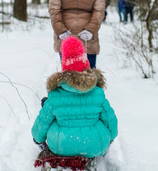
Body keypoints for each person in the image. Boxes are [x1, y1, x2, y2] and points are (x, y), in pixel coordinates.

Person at [32, 36, 118, 166]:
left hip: (61, 146)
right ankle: (92, 157)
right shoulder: (98, 93)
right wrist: (108, 140)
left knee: (49, 115)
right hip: (95, 146)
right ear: (86, 65)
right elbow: (112, 123)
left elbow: (40, 126)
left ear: (64, 67)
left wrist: (38, 140)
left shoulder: (55, 95)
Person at [48, 0, 105, 68]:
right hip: (88, 37)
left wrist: (61, 31)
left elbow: (54, 10)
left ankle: (68, 85)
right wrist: (90, 30)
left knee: (68, 74)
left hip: (66, 36)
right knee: (90, 74)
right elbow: (99, 11)